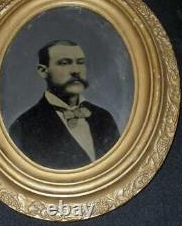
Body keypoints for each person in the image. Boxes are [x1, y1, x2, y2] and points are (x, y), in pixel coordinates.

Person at [9, 40, 120, 169]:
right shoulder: (24, 127)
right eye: (64, 63)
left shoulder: (103, 117)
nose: (76, 70)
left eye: (80, 62)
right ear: (43, 71)